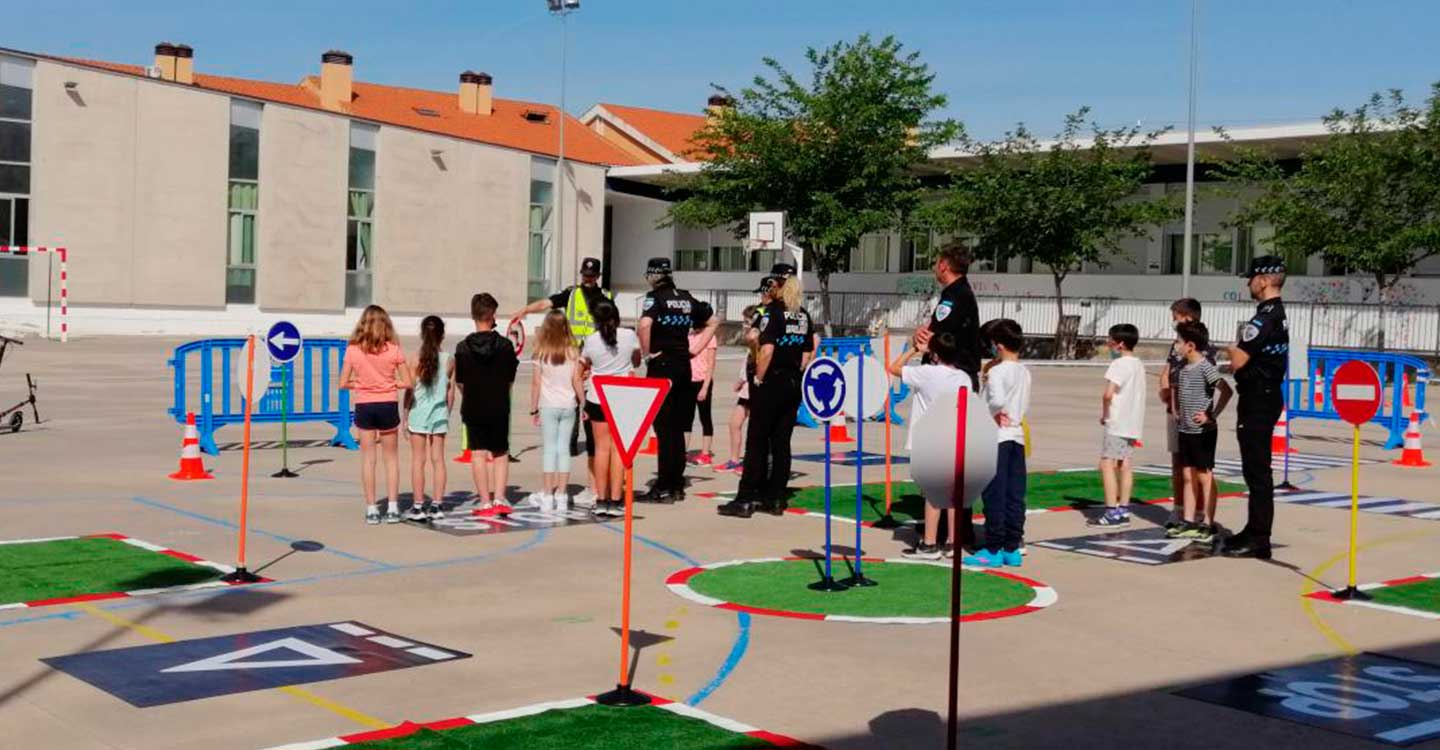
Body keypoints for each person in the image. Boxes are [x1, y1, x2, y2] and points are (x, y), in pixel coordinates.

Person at [509, 256, 613, 506]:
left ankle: (594, 486)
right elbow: (547, 302)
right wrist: (525, 309)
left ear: (598, 276)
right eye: (584, 275)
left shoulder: (607, 297)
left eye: (591, 275)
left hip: (593, 366)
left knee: (592, 435)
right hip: (572, 362)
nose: (587, 279)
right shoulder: (571, 294)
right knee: (572, 439)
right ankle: (580, 487)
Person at [719, 267, 814, 518]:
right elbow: (808, 350)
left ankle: (747, 497)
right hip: (793, 381)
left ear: (777, 284)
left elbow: (767, 349)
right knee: (782, 443)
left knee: (757, 440)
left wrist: (759, 378)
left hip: (771, 381)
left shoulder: (771, 313)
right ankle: (775, 498)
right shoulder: (802, 315)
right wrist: (797, 369)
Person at [913, 241, 983, 547]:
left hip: (951, 379)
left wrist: (923, 340)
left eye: (936, 262)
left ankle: (945, 532)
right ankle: (952, 530)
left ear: (944, 265)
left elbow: (937, 335)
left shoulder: (954, 297)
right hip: (960, 379)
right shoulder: (960, 294)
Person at [1223, 256, 1290, 559]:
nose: (1248, 283)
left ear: (1263, 280)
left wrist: (1230, 348)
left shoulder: (1263, 317)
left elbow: (1239, 360)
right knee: (1256, 468)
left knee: (1257, 469)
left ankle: (1259, 538)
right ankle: (1254, 529)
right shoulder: (1278, 313)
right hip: (1265, 395)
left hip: (1258, 399)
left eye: (1251, 278)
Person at [637, 257, 719, 504]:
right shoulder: (685, 296)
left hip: (663, 366)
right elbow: (713, 320)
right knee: (678, 428)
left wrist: (647, 353)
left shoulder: (655, 297)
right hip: (685, 366)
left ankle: (663, 486)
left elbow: (644, 325)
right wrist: (695, 349)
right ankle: (676, 484)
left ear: (653, 276)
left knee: (663, 428)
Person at [888, 331, 973, 558]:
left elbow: (894, 367)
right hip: (954, 441)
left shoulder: (926, 373)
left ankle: (929, 543)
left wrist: (916, 349)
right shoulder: (963, 378)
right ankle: (953, 544)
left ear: (935, 353)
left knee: (933, 496)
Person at [963, 319, 1032, 568]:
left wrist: (988, 411)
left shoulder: (997, 372)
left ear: (998, 345)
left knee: (994, 495)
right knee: (1015, 494)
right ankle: (1012, 546)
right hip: (1016, 436)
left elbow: (996, 400)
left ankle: (993, 548)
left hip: (996, 437)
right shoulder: (1024, 371)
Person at [339, 305, 414, 525]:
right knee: (390, 459)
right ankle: (392, 507)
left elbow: (343, 383)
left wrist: (361, 383)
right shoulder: (394, 349)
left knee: (368, 459)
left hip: (365, 404)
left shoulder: (353, 349)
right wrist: (390, 383)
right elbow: (408, 381)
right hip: (387, 403)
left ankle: (372, 508)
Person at [455, 292, 519, 515]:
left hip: (473, 404)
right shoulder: (505, 346)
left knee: (478, 453)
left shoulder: (463, 347)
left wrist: (471, 394)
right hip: (499, 404)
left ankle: (484, 501)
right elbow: (510, 378)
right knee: (500, 452)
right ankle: (500, 498)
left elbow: (460, 381)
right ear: (492, 316)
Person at [1168, 321, 1233, 542]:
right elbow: (1178, 392)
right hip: (1185, 430)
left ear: (1190, 345)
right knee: (1188, 476)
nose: (1175, 345)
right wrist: (1177, 412)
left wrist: (1211, 415)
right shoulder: (1182, 368)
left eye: (1178, 341)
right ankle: (1188, 521)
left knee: (1204, 476)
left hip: (1202, 432)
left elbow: (1226, 390)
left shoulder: (1205, 367)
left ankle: (1207, 522)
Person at [1158, 297, 1217, 529]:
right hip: (1176, 413)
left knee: (1201, 469)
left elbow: (1215, 385)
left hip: (1196, 417)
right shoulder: (1176, 346)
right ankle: (1181, 509)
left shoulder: (1204, 349)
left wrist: (1209, 414)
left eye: (1176, 316)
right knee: (1179, 464)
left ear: (1188, 317)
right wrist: (1166, 392)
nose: (1173, 320)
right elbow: (1167, 371)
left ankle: (1204, 513)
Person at [579, 300, 642, 517]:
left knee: (601, 449)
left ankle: (601, 498)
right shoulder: (628, 336)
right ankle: (616, 499)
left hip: (598, 396)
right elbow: (637, 361)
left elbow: (584, 365)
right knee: (618, 450)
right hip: (623, 395)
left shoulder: (591, 340)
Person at [1090, 323, 1146, 528]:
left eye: (1111, 341)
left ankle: (1112, 512)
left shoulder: (1119, 364)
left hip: (1117, 422)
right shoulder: (1138, 364)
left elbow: (1108, 394)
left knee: (1107, 463)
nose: (1109, 344)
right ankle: (1123, 509)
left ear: (1120, 344)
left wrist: (1105, 415)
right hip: (1133, 423)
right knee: (1125, 463)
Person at [529, 310, 585, 513]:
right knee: (563, 450)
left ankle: (547, 494)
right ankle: (561, 494)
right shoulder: (573, 351)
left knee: (549, 449)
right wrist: (583, 402)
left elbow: (536, 383)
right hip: (568, 404)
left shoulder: (540, 352)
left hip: (548, 405)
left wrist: (533, 409)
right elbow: (577, 379)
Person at [403, 315, 454, 522]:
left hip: (419, 413)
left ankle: (417, 506)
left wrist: (404, 415)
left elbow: (410, 391)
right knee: (438, 459)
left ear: (423, 334)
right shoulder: (449, 359)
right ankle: (438, 504)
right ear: (442, 335)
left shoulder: (414, 359)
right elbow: (450, 392)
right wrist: (447, 412)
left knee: (418, 460)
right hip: (439, 413)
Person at [715, 303, 760, 474]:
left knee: (755, 428)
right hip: (746, 388)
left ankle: (751, 462)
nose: (744, 325)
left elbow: (756, 362)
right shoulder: (749, 340)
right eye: (744, 321)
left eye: (747, 321)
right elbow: (748, 361)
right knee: (734, 423)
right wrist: (741, 379)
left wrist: (745, 380)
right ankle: (734, 460)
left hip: (755, 388)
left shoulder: (758, 338)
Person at [684, 316, 719, 467]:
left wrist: (705, 387)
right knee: (686, 418)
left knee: (705, 417)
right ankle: (682, 452)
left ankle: (705, 454)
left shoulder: (710, 337)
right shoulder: (689, 335)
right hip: (688, 381)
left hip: (702, 381)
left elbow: (711, 364)